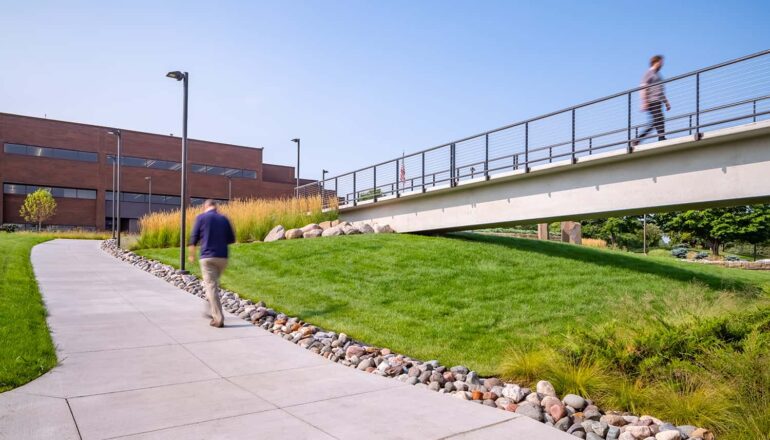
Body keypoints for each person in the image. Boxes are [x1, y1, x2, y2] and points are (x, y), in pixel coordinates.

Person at [189, 199, 235, 327]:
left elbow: (193, 238)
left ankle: (218, 319)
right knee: (212, 285)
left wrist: (191, 255)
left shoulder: (201, 217)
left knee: (211, 286)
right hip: (223, 258)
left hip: (207, 258)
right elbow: (231, 239)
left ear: (206, 206)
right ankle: (210, 310)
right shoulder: (224, 219)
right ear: (216, 207)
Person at [633, 55, 671, 146]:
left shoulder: (659, 75)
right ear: (656, 62)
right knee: (658, 120)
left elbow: (660, 91)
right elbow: (643, 88)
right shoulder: (649, 73)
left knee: (658, 120)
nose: (662, 64)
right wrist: (644, 102)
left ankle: (659, 138)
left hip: (658, 101)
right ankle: (659, 138)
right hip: (651, 101)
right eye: (661, 62)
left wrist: (666, 102)